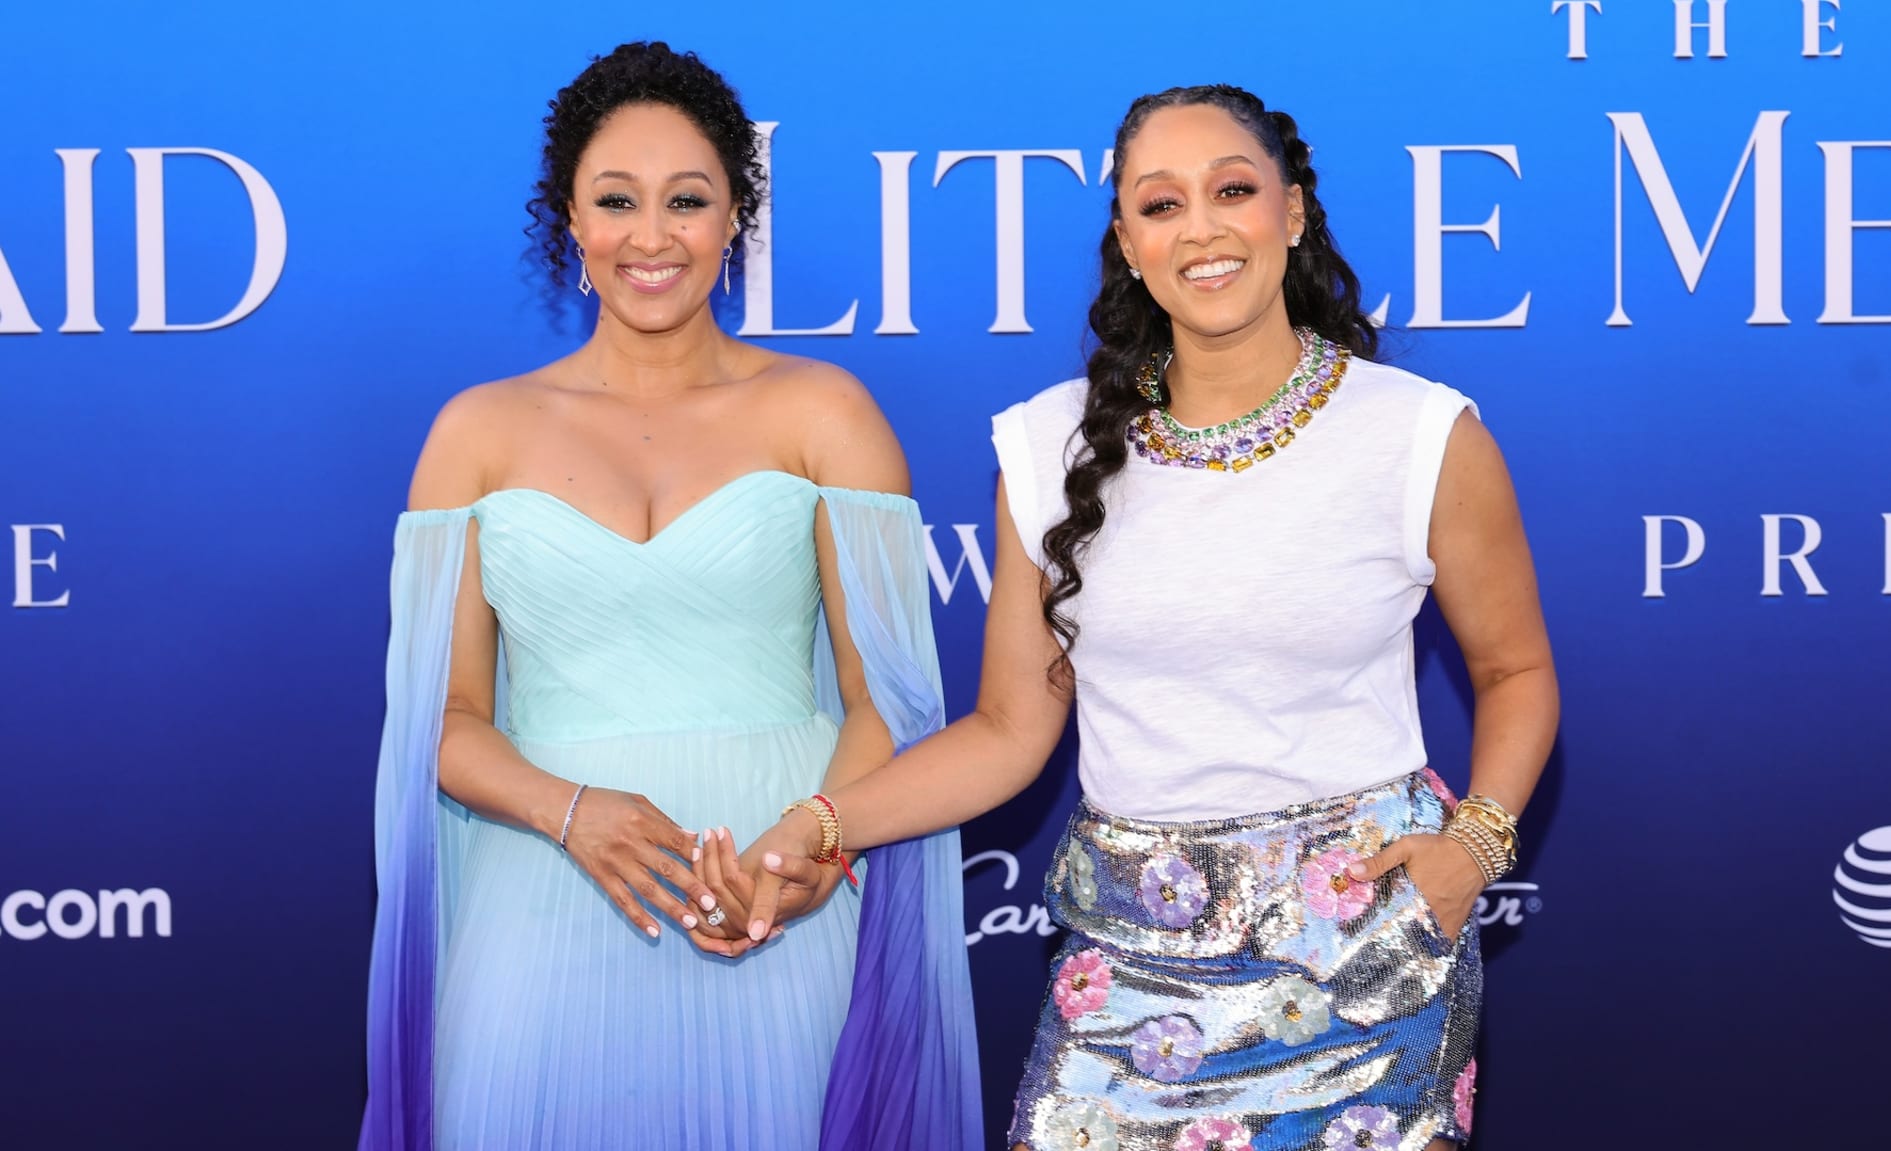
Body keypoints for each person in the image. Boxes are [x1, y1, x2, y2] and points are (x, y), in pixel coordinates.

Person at [742, 85, 1558, 1150]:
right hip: (1126, 973)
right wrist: (824, 820)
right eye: (1161, 205)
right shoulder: (1043, 450)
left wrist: (1472, 845)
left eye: (1232, 190)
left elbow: (1514, 671)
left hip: (1366, 960)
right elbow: (1005, 732)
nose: (1202, 229)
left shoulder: (1417, 435)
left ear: (1293, 212)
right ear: (1126, 242)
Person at [356, 42, 978, 1151]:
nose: (652, 235)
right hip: (542, 891)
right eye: (616, 200)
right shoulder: (474, 434)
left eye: (686, 199)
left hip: (769, 889)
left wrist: (809, 858)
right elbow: (441, 724)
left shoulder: (825, 411)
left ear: (734, 215)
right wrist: (569, 808)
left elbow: (887, 698)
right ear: (570, 223)